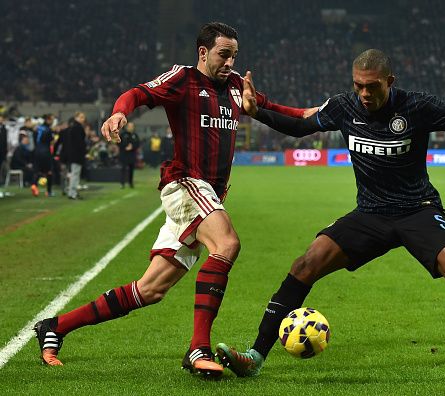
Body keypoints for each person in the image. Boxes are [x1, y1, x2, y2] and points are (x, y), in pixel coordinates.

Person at [215, 49, 445, 385]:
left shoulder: (418, 107)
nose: (364, 94)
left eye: (372, 87)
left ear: (390, 82)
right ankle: (255, 356)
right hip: (370, 213)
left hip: (417, 210)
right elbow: (299, 127)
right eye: (358, 86)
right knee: (305, 264)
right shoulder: (345, 107)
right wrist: (257, 112)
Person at [33, 22, 314, 377]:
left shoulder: (235, 89)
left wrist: (325, 113)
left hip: (204, 195)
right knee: (226, 244)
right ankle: (198, 349)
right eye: (223, 54)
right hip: (186, 182)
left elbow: (289, 113)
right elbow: (138, 93)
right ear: (203, 52)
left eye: (234, 56)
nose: (229, 62)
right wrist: (120, 111)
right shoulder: (183, 79)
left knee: (149, 290)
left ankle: (55, 326)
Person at [63, 112, 87, 199]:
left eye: (83, 117)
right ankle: (72, 193)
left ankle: (72, 192)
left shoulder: (73, 127)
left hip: (73, 155)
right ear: (76, 117)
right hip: (77, 155)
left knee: (74, 174)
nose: (82, 119)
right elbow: (79, 143)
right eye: (81, 117)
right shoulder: (77, 128)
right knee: (75, 174)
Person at [31, 114, 55, 197]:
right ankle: (49, 191)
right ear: (48, 120)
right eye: (52, 119)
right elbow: (52, 141)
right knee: (49, 171)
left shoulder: (37, 128)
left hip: (37, 152)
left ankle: (34, 185)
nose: (52, 121)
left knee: (37, 170)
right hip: (45, 152)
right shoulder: (48, 130)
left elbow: (34, 139)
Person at [118, 122, 140, 188]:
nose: (131, 127)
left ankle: (131, 183)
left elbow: (137, 144)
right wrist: (125, 147)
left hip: (132, 155)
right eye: (129, 126)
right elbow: (118, 143)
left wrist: (132, 146)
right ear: (127, 127)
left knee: (131, 169)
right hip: (124, 154)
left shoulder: (135, 135)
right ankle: (122, 183)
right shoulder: (123, 134)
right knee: (123, 169)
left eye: (132, 126)